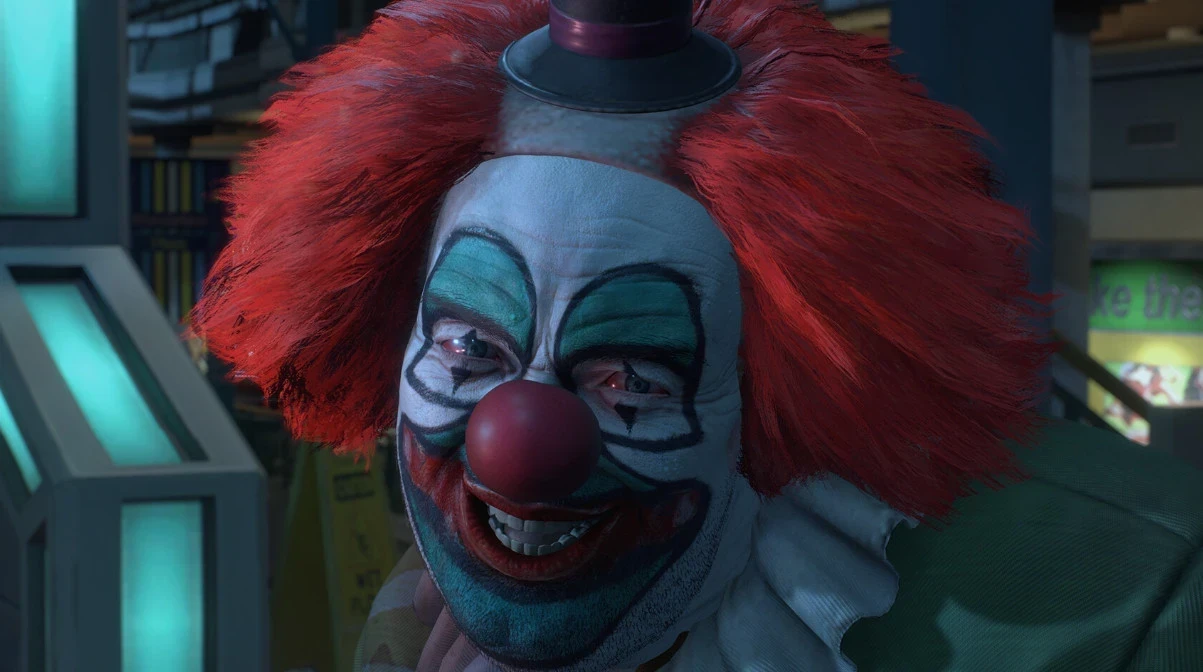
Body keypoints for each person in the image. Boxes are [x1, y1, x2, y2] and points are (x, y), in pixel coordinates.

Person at [192, 1, 1203, 670]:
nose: (517, 442)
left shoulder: (1134, 605)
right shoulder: (414, 616)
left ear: (769, 390)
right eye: (467, 350)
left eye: (632, 377)